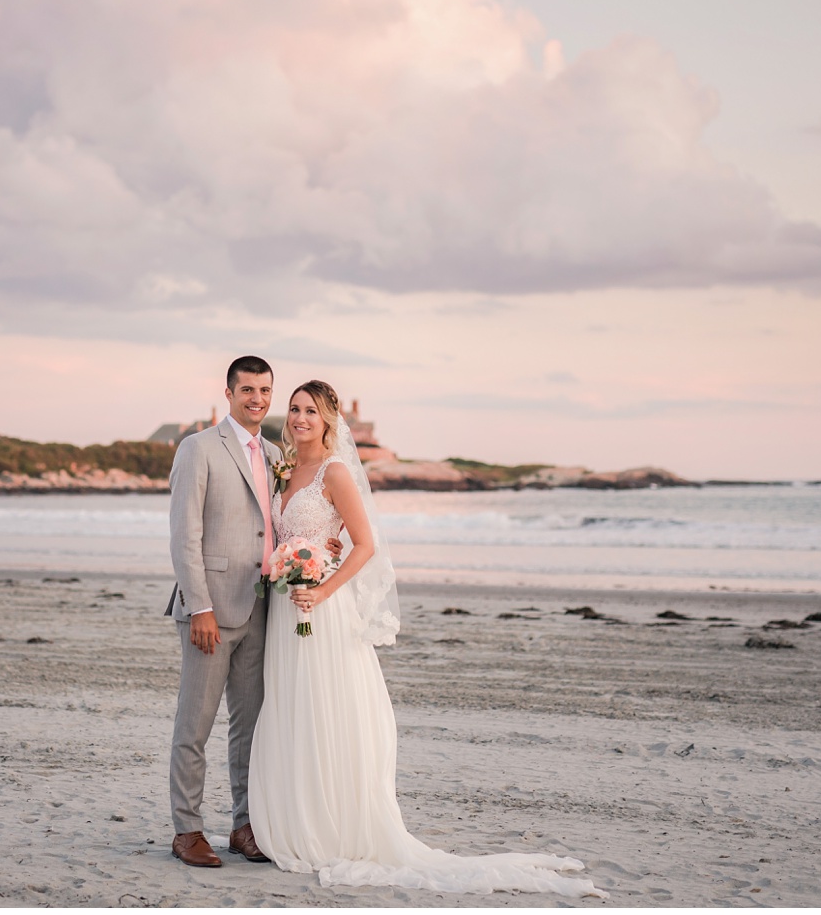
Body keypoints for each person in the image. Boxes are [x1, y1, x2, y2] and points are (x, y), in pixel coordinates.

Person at [246, 380, 607, 899]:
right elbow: (287, 535)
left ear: (330, 420)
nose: (300, 418)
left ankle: (331, 825)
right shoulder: (283, 468)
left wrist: (322, 589)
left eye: (312, 411)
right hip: (287, 608)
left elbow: (365, 545)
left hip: (321, 610)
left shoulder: (335, 471)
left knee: (326, 708)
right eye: (295, 409)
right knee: (291, 708)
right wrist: (295, 568)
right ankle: (292, 817)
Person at [164, 356, 342, 869]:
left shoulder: (272, 454)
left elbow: (283, 526)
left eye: (265, 391)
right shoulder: (197, 449)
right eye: (247, 390)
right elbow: (185, 536)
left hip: (264, 607)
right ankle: (188, 830)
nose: (257, 399)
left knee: (250, 727)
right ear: (229, 392)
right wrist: (199, 606)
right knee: (194, 725)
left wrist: (323, 547)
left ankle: (245, 825)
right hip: (211, 611)